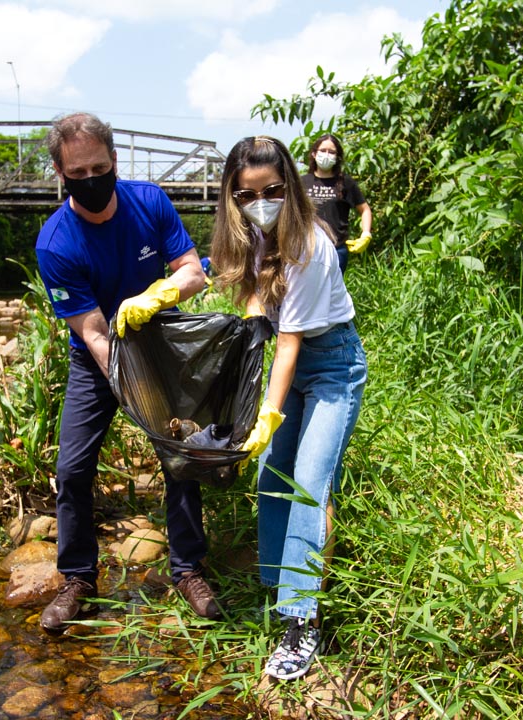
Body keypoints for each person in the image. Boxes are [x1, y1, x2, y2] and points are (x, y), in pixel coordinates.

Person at [34, 112, 219, 631]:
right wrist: (131, 389)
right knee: (73, 468)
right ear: (60, 173)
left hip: (158, 343)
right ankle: (78, 578)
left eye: (99, 168)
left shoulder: (150, 202)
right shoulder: (55, 243)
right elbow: (94, 334)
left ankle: (188, 568)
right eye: (78, 173)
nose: (91, 179)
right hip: (97, 359)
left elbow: (193, 271)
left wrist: (158, 295)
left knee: (179, 453)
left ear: (115, 161)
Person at [210, 136, 367, 680]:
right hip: (291, 360)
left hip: (331, 366)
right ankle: (280, 587)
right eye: (247, 194)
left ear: (291, 187)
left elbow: (290, 344)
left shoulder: (311, 243)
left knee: (308, 482)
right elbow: (260, 297)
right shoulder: (254, 234)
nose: (261, 203)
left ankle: (303, 622)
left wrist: (267, 415)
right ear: (234, 196)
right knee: (273, 478)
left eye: (272, 190)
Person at [300, 133, 373, 273]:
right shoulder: (302, 182)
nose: (326, 155)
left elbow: (365, 210)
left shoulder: (346, 182)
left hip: (337, 248)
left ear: (337, 157)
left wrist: (365, 234)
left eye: (331, 152)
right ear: (314, 154)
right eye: (323, 150)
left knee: (333, 287)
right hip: (307, 249)